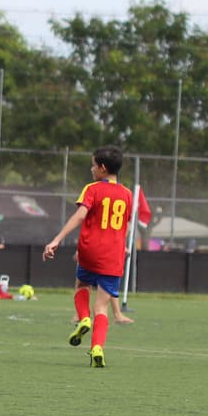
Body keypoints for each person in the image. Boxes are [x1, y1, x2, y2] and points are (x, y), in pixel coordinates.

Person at [42, 146, 133, 368]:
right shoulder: (128, 194)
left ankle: (83, 318)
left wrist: (57, 239)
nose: (91, 169)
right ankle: (97, 348)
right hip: (113, 255)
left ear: (102, 167)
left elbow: (80, 215)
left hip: (91, 250)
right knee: (101, 307)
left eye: (93, 165)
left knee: (82, 284)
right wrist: (122, 246)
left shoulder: (92, 189)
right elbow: (125, 225)